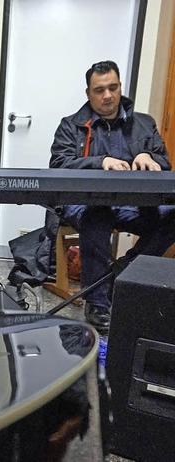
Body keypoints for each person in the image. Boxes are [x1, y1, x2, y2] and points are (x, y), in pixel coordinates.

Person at [49, 60, 175, 333]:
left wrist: (148, 156)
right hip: (84, 203)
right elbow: (59, 164)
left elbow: (164, 163)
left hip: (132, 204)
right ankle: (97, 302)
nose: (107, 95)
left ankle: (123, 273)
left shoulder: (144, 124)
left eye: (113, 87)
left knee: (171, 216)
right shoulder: (71, 126)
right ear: (88, 93)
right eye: (99, 90)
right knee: (98, 212)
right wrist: (100, 161)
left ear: (120, 87)